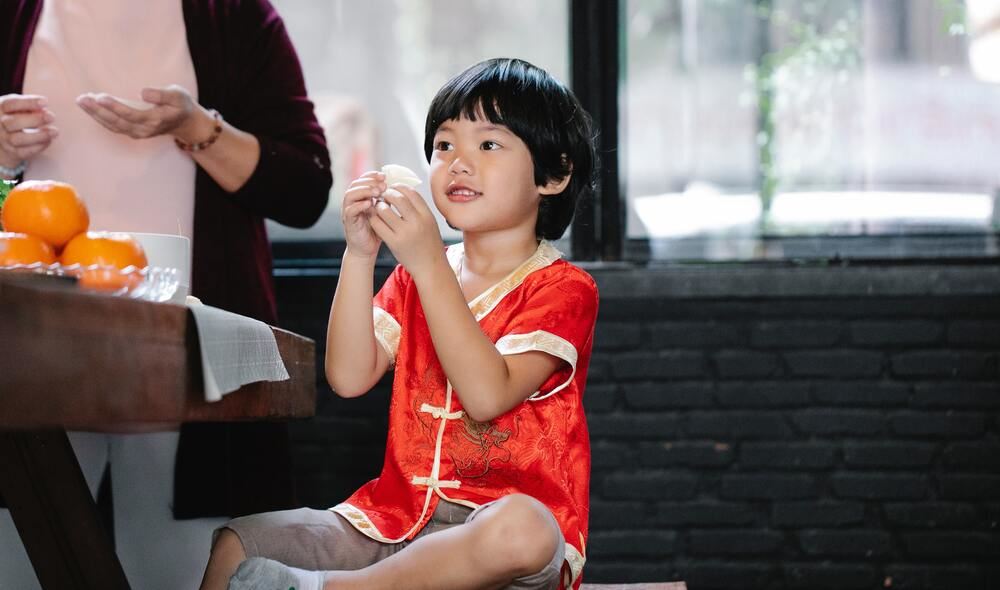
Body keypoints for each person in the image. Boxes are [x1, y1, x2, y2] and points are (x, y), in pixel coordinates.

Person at [200, 57, 600, 590]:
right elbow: (347, 376)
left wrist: (428, 261)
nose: (458, 163)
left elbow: (486, 395)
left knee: (522, 531)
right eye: (444, 145)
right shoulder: (416, 275)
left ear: (554, 174)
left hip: (498, 541)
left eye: (488, 145)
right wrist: (360, 254)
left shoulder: (564, 288)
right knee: (240, 542)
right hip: (394, 523)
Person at [0, 1, 332, 588]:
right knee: (19, 556)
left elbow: (306, 187)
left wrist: (198, 128)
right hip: (28, 344)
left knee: (179, 567)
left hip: (187, 352)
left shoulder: (234, 16)